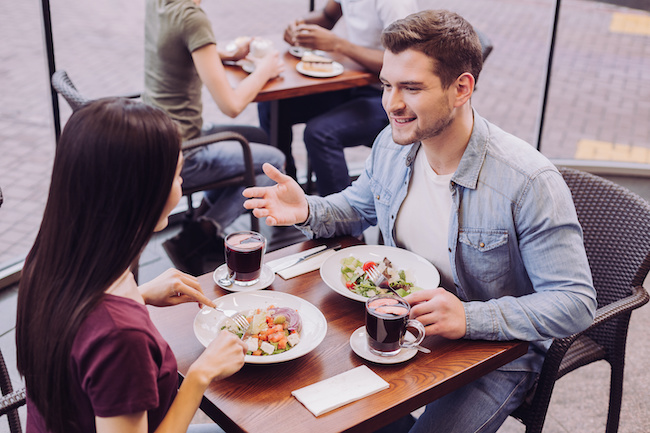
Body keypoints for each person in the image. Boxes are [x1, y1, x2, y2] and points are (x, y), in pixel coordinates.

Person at [243, 10, 597, 433]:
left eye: (411, 88)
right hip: (400, 325)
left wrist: (469, 318)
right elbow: (356, 208)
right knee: (300, 407)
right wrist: (306, 210)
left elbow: (575, 303)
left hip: (494, 353)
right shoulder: (392, 147)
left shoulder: (529, 181)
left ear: (461, 88)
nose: (392, 104)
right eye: (387, 85)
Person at [16, 98, 246, 433]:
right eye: (176, 174)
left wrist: (138, 295)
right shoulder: (122, 338)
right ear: (139, 192)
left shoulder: (48, 260)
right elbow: (110, 338)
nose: (181, 185)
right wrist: (201, 374)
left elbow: (83, 332)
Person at [143, 0, 286, 275]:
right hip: (184, 152)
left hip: (156, 136)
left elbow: (179, 44)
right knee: (274, 162)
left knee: (258, 138)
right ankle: (197, 237)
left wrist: (223, 53)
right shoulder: (192, 17)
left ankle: (197, 224)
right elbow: (231, 105)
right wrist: (264, 69)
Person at [258, 0, 418, 195]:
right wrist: (300, 26)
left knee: (320, 133)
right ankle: (287, 191)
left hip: (389, 95)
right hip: (354, 84)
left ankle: (339, 221)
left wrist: (339, 45)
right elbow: (327, 16)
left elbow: (405, 61)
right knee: (274, 105)